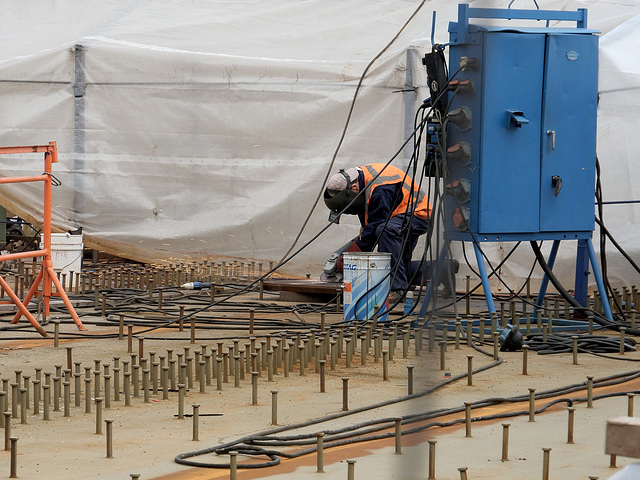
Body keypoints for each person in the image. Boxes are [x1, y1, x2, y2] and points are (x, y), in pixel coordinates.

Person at [323, 163, 431, 303]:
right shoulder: (360, 181)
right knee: (399, 262)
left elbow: (376, 228)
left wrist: (353, 254)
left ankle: (397, 288)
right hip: (399, 216)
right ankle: (439, 269)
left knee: (385, 230)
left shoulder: (380, 189)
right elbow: (368, 226)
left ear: (353, 188)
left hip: (419, 215)